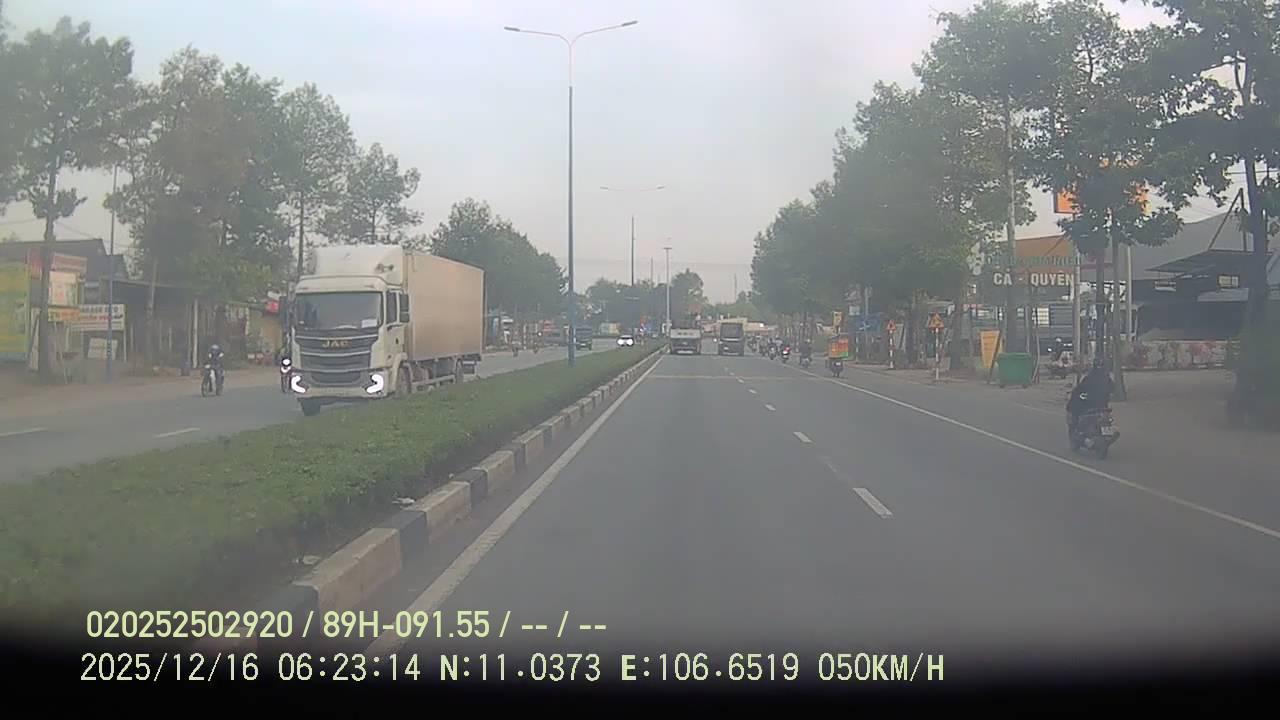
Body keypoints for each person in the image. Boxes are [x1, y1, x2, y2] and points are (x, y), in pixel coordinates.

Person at [1067, 359, 1113, 434]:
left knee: (1075, 407)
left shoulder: (1090, 377)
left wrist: (1077, 393)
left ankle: (1076, 427)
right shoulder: (1107, 378)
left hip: (1090, 404)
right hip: (1103, 404)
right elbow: (1112, 388)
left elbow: (1080, 389)